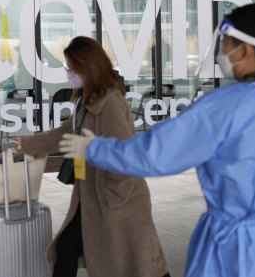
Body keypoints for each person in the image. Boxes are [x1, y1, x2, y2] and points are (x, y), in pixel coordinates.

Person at [59, 4, 255, 277]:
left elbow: (156, 154)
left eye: (225, 45)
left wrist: (94, 148)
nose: (220, 52)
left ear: (244, 50)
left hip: (227, 252)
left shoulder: (221, 107)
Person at [13, 36, 170, 277]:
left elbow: (125, 154)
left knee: (139, 263)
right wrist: (29, 143)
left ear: (89, 67)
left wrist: (112, 197)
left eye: (73, 69)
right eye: (68, 68)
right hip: (91, 195)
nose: (68, 75)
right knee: (67, 250)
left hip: (116, 201)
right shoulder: (87, 98)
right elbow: (66, 132)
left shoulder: (111, 103)